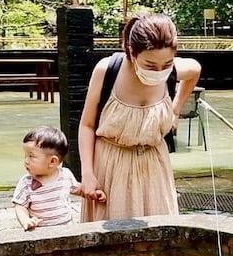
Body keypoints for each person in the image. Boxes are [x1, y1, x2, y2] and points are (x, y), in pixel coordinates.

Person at [78, 12, 201, 222]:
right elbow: (87, 125)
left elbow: (195, 69)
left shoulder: (170, 71)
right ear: (131, 53)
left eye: (167, 64)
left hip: (154, 165)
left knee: (159, 232)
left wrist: (175, 108)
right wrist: (87, 175)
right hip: (111, 165)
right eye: (151, 66)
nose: (159, 71)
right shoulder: (107, 70)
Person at [12, 126, 88, 231]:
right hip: (41, 232)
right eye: (25, 156)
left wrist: (92, 192)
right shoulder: (26, 183)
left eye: (31, 156)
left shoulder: (65, 175)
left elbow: (78, 189)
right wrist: (26, 221)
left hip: (67, 228)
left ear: (52, 161)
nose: (26, 161)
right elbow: (20, 206)